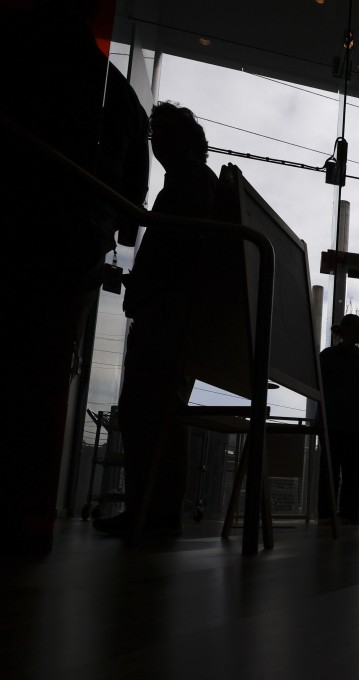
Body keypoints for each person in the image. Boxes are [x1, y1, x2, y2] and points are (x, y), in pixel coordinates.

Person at [2, 0, 149, 552]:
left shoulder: (19, 46)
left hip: (24, 217)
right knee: (41, 368)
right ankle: (26, 511)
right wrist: (114, 231)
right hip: (78, 241)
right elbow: (133, 195)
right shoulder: (121, 96)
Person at [94, 102, 217, 538]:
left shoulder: (190, 186)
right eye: (156, 131)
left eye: (167, 131)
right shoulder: (192, 184)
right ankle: (153, 511)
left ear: (189, 140)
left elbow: (180, 255)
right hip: (164, 310)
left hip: (166, 313)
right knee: (153, 412)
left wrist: (152, 295)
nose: (158, 139)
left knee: (148, 411)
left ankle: (152, 512)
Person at [317, 314, 359, 526]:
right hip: (354, 422)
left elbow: (319, 384)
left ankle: (326, 514)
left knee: (330, 470)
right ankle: (349, 513)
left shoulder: (327, 356)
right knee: (353, 471)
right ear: (346, 330)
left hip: (333, 420)